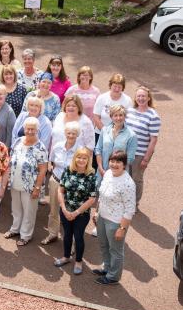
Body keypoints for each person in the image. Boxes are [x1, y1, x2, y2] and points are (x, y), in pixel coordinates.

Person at [4, 117, 48, 246]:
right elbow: (10, 159)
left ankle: (26, 235)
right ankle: (15, 229)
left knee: (29, 211)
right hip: (15, 182)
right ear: (24, 129)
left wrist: (37, 188)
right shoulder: (18, 141)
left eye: (33, 129)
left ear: (37, 130)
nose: (29, 131)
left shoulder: (40, 147)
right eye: (27, 128)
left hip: (30, 186)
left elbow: (43, 169)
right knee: (16, 208)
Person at [54, 147, 97, 275]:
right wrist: (63, 208)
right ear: (75, 158)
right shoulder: (68, 170)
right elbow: (60, 190)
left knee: (78, 237)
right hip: (66, 210)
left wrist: (76, 213)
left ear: (88, 160)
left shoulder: (91, 175)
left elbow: (91, 199)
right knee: (67, 235)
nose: (81, 160)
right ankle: (66, 257)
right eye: (79, 157)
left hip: (81, 214)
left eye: (84, 158)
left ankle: (78, 261)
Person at [95, 150, 136, 285]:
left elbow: (130, 209)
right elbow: (101, 195)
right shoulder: (107, 173)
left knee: (116, 250)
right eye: (112, 161)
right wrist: (96, 212)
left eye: (118, 161)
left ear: (124, 165)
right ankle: (106, 268)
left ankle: (113, 276)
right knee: (103, 245)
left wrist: (122, 228)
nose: (114, 164)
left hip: (116, 222)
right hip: (102, 216)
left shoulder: (128, 183)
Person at [45, 121, 82, 245]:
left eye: (74, 133)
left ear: (78, 135)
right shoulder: (57, 146)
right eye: (69, 133)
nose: (71, 135)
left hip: (71, 186)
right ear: (65, 133)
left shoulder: (80, 151)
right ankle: (52, 233)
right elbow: (50, 161)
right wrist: (50, 167)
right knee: (53, 210)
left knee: (69, 212)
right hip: (55, 181)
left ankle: (70, 241)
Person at [126, 86, 160, 203]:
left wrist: (146, 159)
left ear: (148, 98)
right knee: (125, 177)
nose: (141, 98)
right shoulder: (130, 111)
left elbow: (153, 140)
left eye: (143, 96)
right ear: (135, 98)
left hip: (140, 154)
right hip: (126, 151)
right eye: (138, 96)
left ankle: (134, 202)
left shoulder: (153, 116)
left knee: (136, 179)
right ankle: (125, 201)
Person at [95, 105, 137, 182]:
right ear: (111, 117)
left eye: (121, 115)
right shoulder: (104, 130)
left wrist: (116, 172)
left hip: (120, 174)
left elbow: (130, 158)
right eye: (115, 115)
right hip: (102, 172)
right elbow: (98, 149)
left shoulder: (132, 135)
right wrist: (100, 168)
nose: (118, 118)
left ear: (124, 116)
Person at [93, 73, 133, 139]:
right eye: (115, 86)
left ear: (123, 87)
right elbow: (96, 117)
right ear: (110, 85)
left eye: (119, 87)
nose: (117, 89)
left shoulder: (127, 100)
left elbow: (129, 119)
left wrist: (118, 133)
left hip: (120, 136)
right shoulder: (102, 98)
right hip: (100, 134)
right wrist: (106, 132)